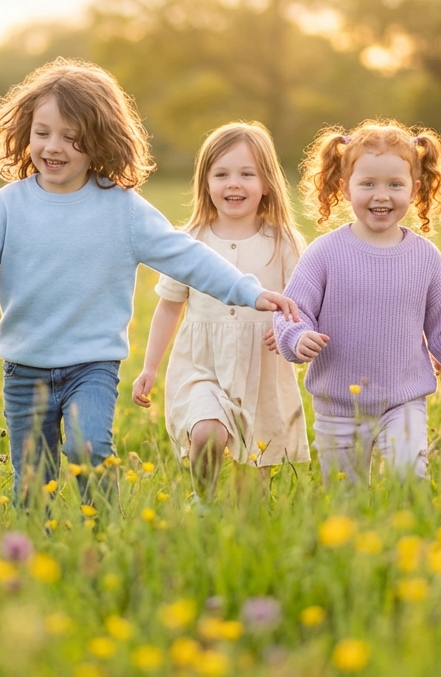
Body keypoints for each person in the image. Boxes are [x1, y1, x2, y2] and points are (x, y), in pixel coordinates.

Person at [0, 58, 298, 504]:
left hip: (92, 365)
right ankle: (37, 551)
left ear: (100, 142)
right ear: (26, 131)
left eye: (72, 138)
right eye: (43, 133)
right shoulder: (8, 204)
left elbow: (187, 256)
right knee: (32, 483)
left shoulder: (121, 209)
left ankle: (102, 533)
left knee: (88, 450)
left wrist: (249, 290)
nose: (53, 147)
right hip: (24, 367)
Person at [272, 120, 441, 485]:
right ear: (345, 188)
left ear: (415, 188)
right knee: (344, 497)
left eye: (395, 184)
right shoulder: (325, 253)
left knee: (408, 477)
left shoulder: (424, 257)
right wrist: (298, 338)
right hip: (338, 404)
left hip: (404, 398)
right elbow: (292, 311)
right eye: (368, 184)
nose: (382, 195)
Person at [131, 122, 308, 498]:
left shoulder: (284, 242)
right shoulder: (190, 240)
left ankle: (244, 532)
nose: (234, 184)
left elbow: (303, 302)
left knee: (253, 482)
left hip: (260, 365)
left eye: (247, 174)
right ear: (205, 182)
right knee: (207, 432)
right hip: (202, 363)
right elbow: (169, 306)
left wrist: (289, 331)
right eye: (222, 174)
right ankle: (204, 500)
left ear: (266, 183)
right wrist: (149, 367)